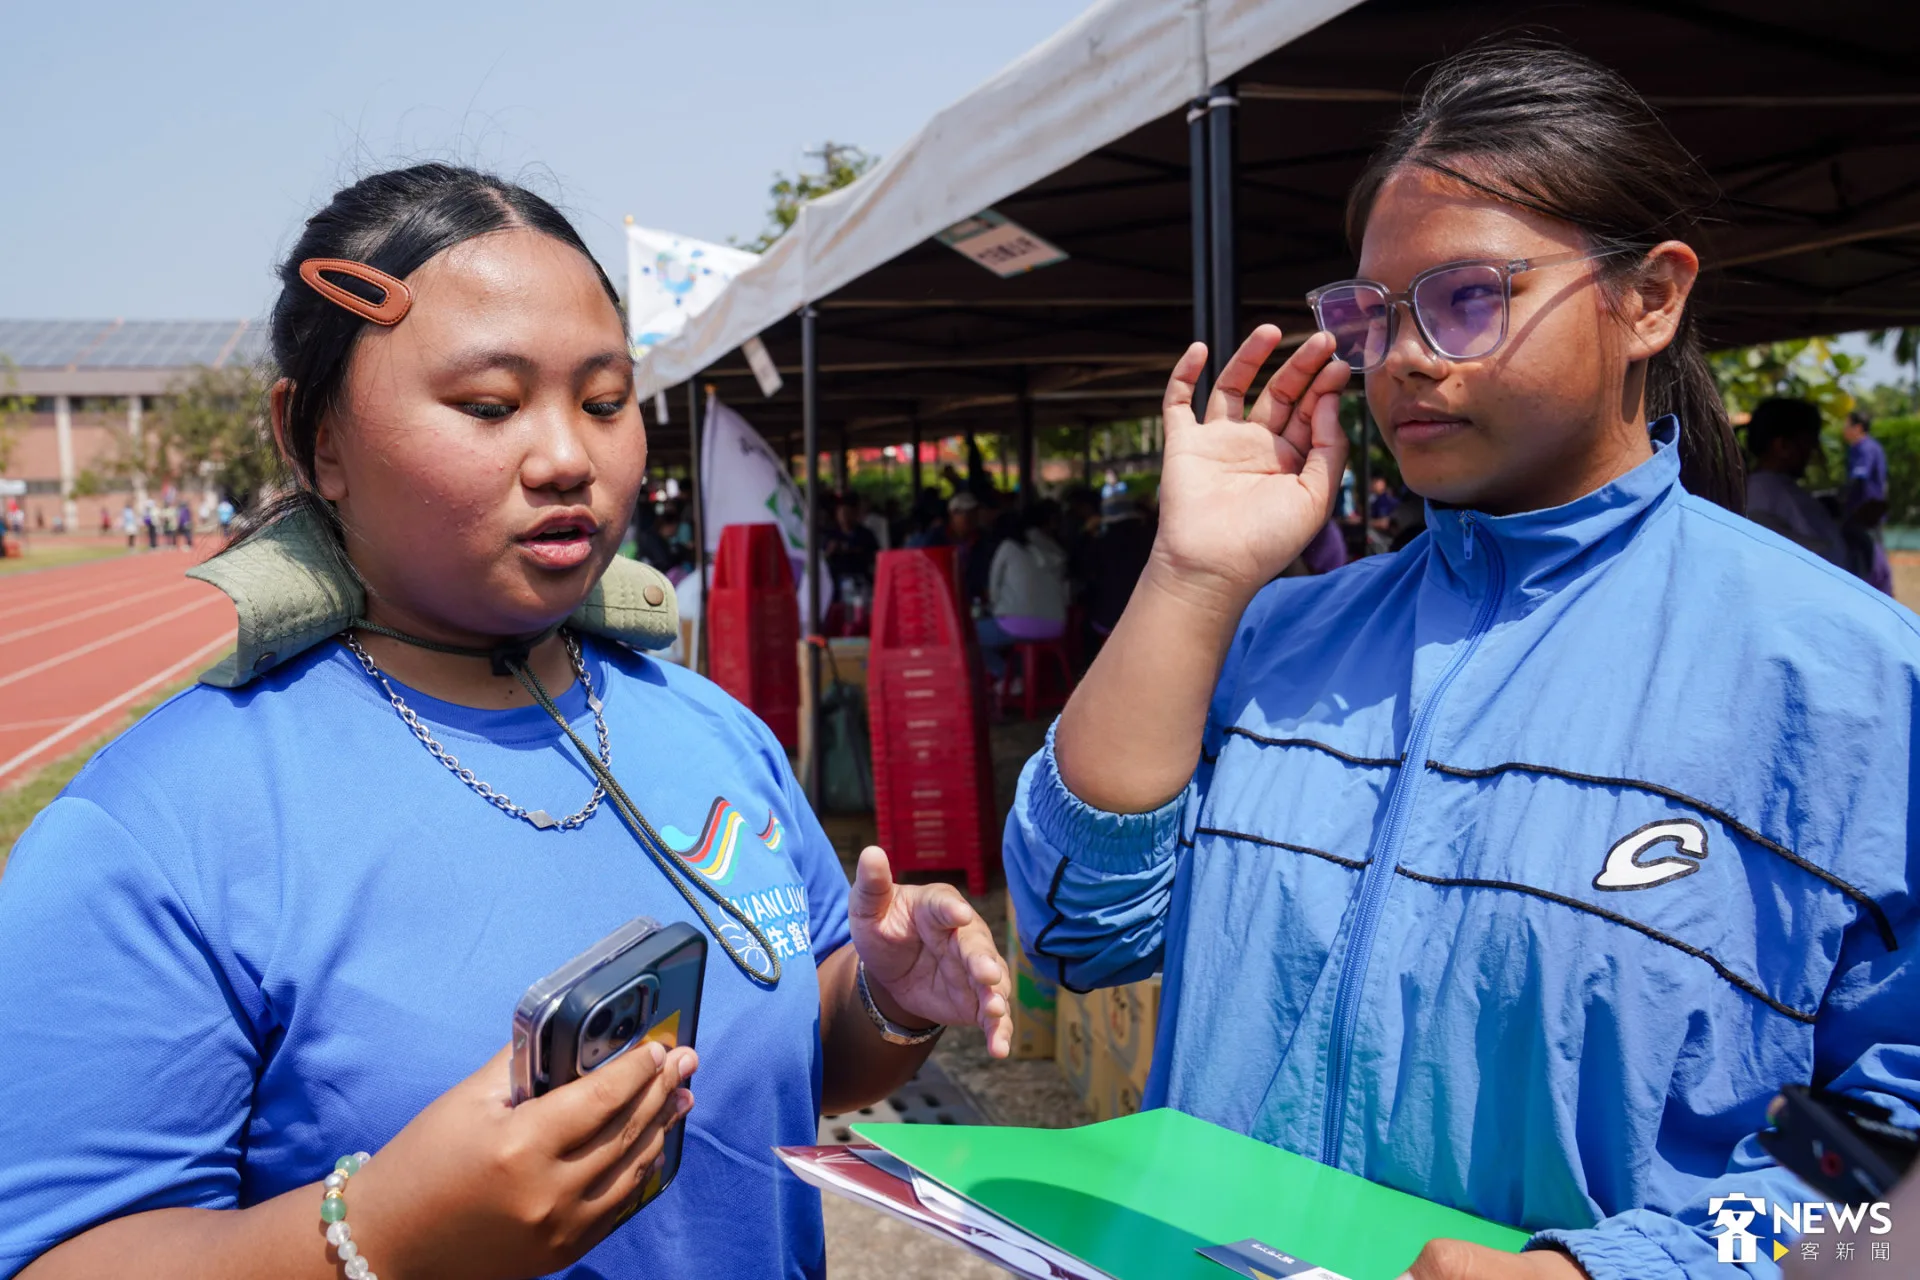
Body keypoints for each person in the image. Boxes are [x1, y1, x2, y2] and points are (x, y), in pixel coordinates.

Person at [0, 164, 1012, 1280]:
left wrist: (883, 997)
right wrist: (373, 1235)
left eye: (605, 400)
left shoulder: (714, 730)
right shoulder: (157, 828)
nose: (568, 457)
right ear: (315, 437)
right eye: (489, 405)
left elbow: (792, 1057)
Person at [1007, 40, 1917, 1280]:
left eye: (1469, 297)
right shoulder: (1286, 637)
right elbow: (1076, 927)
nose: (1406, 356)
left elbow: (1886, 1166)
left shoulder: (1848, 684)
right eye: (1372, 315)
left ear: (1649, 298)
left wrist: (1630, 1268)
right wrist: (1194, 578)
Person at [1745, 398, 1846, 567]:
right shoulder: (1776, 496)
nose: (1814, 453)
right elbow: (1824, 560)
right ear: (1783, 446)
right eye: (1810, 444)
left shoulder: (1751, 490)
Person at [978, 502, 1070, 678]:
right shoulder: (1050, 547)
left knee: (967, 636)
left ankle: (1006, 677)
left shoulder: (1007, 547)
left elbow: (993, 591)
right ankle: (1024, 680)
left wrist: (996, 608)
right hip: (1057, 625)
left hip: (1016, 626)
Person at [1842, 410, 1894, 595]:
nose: (1843, 430)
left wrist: (1840, 498)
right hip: (1866, 511)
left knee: (1870, 558)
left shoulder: (1865, 449)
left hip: (1865, 513)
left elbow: (1859, 478)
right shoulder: (1864, 447)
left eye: (1846, 425)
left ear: (1858, 428)